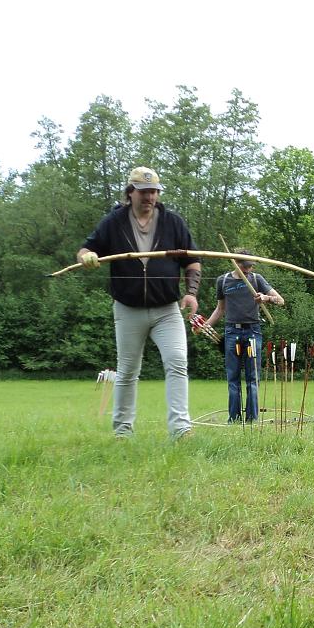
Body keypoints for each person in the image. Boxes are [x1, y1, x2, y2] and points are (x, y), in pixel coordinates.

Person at [77, 166, 202, 438]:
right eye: (144, 192)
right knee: (127, 371)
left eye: (154, 191)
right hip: (128, 309)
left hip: (167, 309)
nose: (150, 197)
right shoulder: (113, 222)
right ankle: (122, 432)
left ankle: (181, 429)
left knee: (177, 361)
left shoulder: (173, 222)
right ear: (130, 192)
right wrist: (86, 257)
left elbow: (192, 261)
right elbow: (86, 249)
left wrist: (191, 292)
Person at [203, 252, 285, 422]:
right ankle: (234, 418)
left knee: (252, 378)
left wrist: (266, 298)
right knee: (232, 377)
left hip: (252, 331)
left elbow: (280, 300)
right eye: (245, 265)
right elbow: (220, 309)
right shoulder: (223, 281)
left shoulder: (256, 279)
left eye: (251, 265)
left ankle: (252, 419)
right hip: (231, 332)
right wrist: (205, 326)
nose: (249, 269)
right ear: (235, 263)